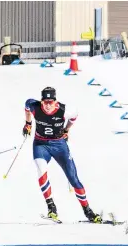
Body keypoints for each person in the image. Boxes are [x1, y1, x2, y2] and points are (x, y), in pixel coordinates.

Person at [23, 87, 102, 223]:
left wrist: (66, 129)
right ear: (41, 102)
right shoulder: (34, 106)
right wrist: (28, 123)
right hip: (40, 144)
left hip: (59, 145)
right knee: (41, 170)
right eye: (45, 102)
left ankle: (88, 211)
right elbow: (26, 106)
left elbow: (74, 116)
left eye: (51, 102)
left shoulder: (65, 110)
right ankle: (51, 207)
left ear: (55, 101)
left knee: (73, 178)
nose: (48, 105)